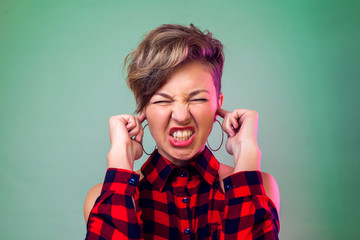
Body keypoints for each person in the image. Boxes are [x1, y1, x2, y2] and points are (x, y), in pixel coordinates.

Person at [84, 24, 280, 240]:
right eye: (162, 100)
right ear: (143, 110)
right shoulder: (105, 198)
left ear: (218, 105)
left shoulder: (258, 188)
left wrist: (247, 152)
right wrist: (120, 160)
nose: (181, 116)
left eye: (198, 99)